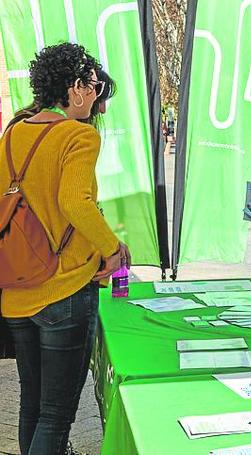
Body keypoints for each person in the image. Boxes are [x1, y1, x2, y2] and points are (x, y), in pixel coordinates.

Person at [0, 43, 130, 455]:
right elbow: (76, 203)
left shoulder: (12, 133)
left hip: (16, 288)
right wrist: (113, 248)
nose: (96, 96)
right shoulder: (77, 135)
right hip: (64, 288)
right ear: (75, 88)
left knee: (32, 405)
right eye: (93, 86)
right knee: (56, 415)